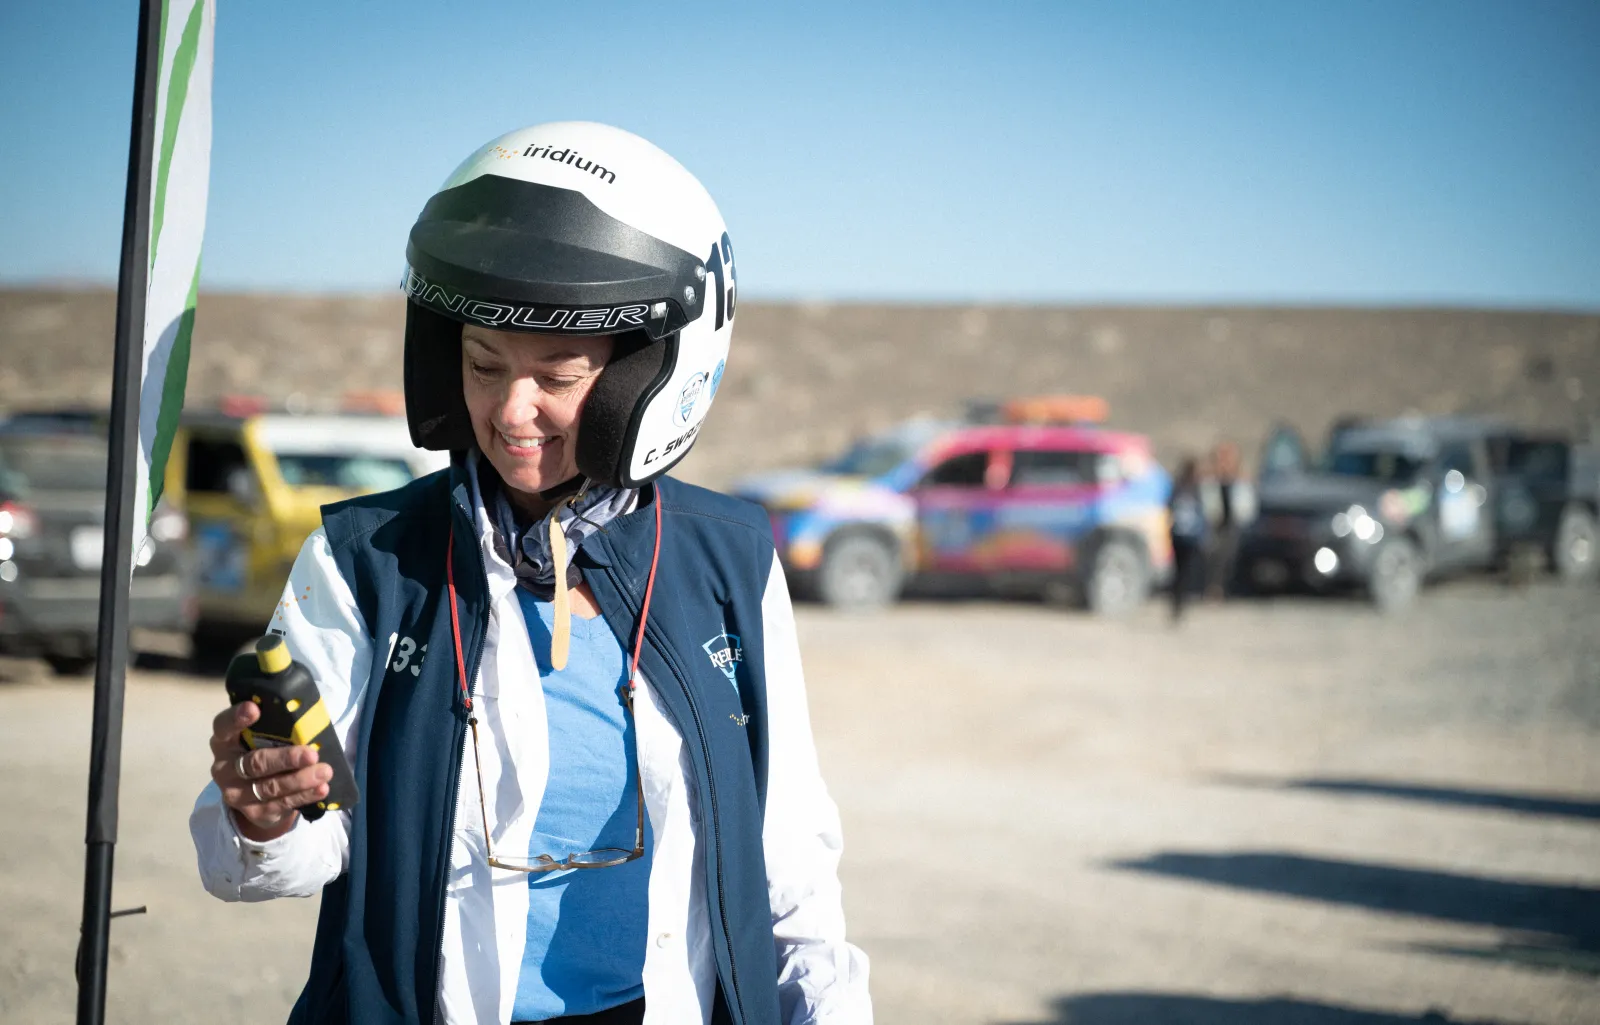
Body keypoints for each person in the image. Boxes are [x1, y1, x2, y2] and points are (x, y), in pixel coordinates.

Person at [191, 122, 871, 1025]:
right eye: (482, 365)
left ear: (650, 375)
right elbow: (296, 850)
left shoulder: (728, 558)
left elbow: (788, 858)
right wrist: (264, 813)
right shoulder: (366, 556)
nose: (513, 411)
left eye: (557, 375)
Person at [1167, 456, 1207, 622]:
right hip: (1187, 536)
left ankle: (1178, 602)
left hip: (1179, 535)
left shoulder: (1179, 487)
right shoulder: (1194, 488)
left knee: (1179, 572)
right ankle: (1179, 602)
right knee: (1184, 572)